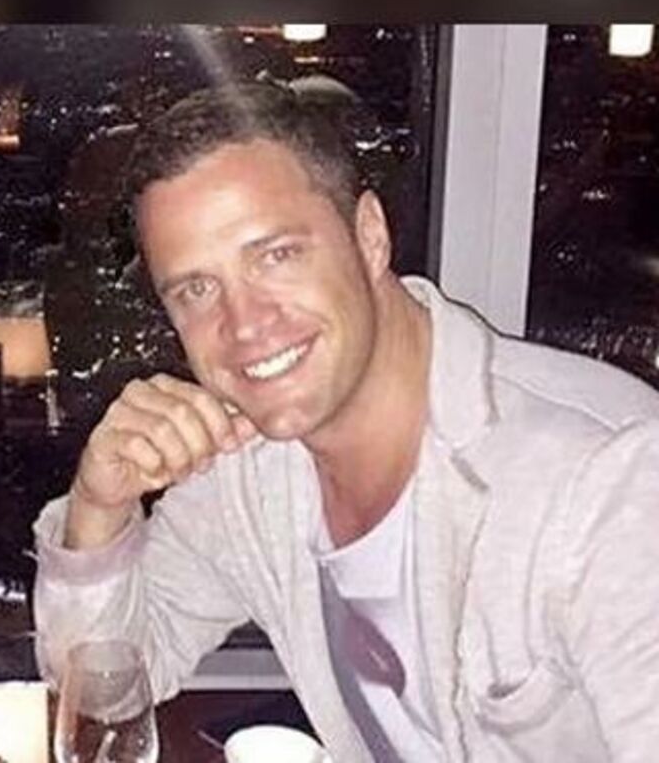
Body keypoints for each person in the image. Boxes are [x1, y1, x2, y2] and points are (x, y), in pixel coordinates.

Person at [32, 77, 659, 761]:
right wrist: (100, 506)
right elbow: (108, 689)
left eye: (275, 254)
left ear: (370, 236)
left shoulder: (608, 480)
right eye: (197, 289)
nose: (244, 324)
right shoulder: (252, 470)